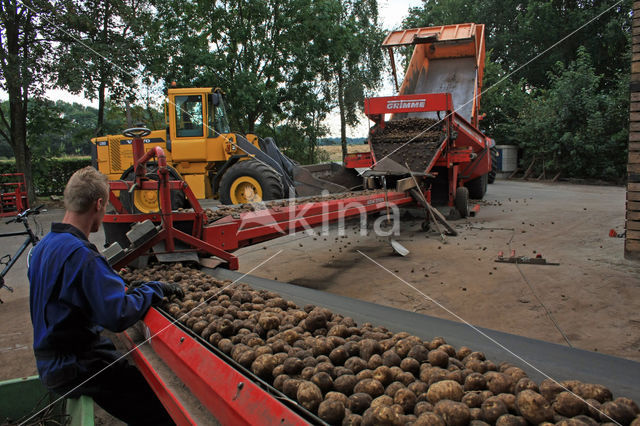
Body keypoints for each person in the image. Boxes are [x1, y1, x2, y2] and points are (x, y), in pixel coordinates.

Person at [28, 166, 183, 425]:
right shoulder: (81, 256)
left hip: (51, 362)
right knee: (164, 410)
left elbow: (68, 298)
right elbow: (117, 315)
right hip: (76, 368)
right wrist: (152, 288)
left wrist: (119, 290)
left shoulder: (44, 246)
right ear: (99, 204)